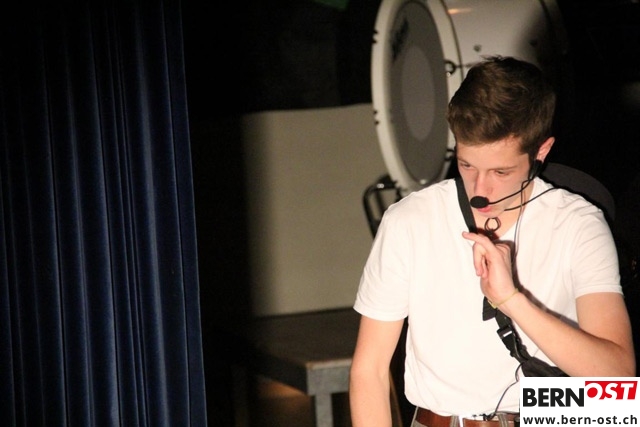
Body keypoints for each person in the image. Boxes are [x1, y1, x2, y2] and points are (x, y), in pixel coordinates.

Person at [349, 56, 635, 427]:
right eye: (467, 165)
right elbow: (369, 370)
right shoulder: (411, 220)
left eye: (500, 171)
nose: (480, 189)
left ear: (541, 151)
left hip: (550, 417)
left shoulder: (577, 223)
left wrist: (510, 300)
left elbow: (616, 379)